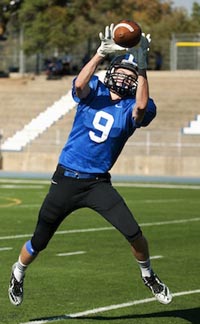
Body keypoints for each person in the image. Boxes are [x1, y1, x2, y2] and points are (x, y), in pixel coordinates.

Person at [8, 24, 172, 306]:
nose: (123, 75)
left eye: (130, 74)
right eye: (120, 70)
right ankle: (18, 272)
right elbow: (80, 85)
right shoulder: (94, 89)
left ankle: (148, 275)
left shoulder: (138, 104)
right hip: (66, 178)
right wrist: (98, 55)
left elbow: (142, 108)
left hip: (97, 183)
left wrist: (142, 66)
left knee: (133, 232)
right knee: (40, 240)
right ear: (111, 71)